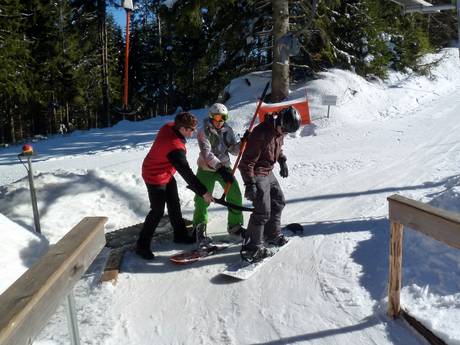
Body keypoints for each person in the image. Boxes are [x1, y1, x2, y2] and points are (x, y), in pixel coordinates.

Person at [136, 112, 214, 260]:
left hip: (165, 171)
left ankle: (180, 235)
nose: (193, 132)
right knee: (157, 211)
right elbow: (187, 173)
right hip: (154, 175)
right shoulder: (174, 147)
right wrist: (204, 192)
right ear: (182, 128)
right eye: (191, 129)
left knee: (174, 203)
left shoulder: (170, 126)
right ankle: (141, 245)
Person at [238, 106, 301, 262]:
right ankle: (253, 248)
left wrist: (282, 161)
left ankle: (271, 234)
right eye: (284, 129)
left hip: (269, 171)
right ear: (279, 121)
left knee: (278, 201)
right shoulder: (261, 133)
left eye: (287, 132)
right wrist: (250, 184)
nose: (284, 133)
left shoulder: (280, 130)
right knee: (262, 210)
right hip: (258, 172)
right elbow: (246, 163)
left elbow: (278, 148)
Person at [193, 103, 244, 238]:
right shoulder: (203, 131)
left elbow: (233, 150)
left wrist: (242, 144)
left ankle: (235, 225)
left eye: (223, 117)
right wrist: (220, 168)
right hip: (206, 168)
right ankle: (199, 227)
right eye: (217, 117)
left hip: (224, 167)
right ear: (211, 116)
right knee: (201, 198)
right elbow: (207, 153)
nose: (220, 121)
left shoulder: (228, 130)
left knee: (235, 195)